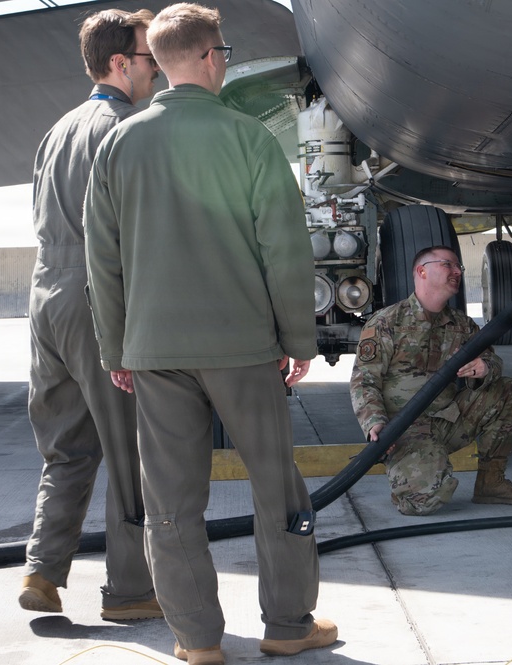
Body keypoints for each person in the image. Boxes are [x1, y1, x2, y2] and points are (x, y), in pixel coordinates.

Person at [82, 4, 337, 663]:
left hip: (155, 351)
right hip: (243, 347)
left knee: (170, 501)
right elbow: (284, 251)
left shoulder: (118, 144)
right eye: (222, 51)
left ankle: (196, 639)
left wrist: (116, 348)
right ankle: (287, 624)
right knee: (276, 487)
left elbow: (101, 261)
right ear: (205, 56)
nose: (224, 60)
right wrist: (299, 340)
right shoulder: (248, 139)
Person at [20, 8, 162, 621]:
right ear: (119, 63)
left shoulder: (59, 129)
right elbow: (136, 234)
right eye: (150, 59)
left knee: (67, 449)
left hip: (46, 296)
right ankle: (131, 590)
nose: (158, 71)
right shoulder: (127, 128)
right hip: (96, 299)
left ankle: (43, 571)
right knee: (132, 449)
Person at [350, 245, 512, 516]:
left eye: (458, 266)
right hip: (405, 430)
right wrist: (375, 425)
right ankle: (411, 476)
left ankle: (491, 482)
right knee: (423, 503)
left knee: (507, 389)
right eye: (447, 264)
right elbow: (364, 381)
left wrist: (485, 367)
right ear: (421, 271)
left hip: (449, 421)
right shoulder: (387, 322)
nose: (457, 271)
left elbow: (492, 358)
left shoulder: (462, 324)